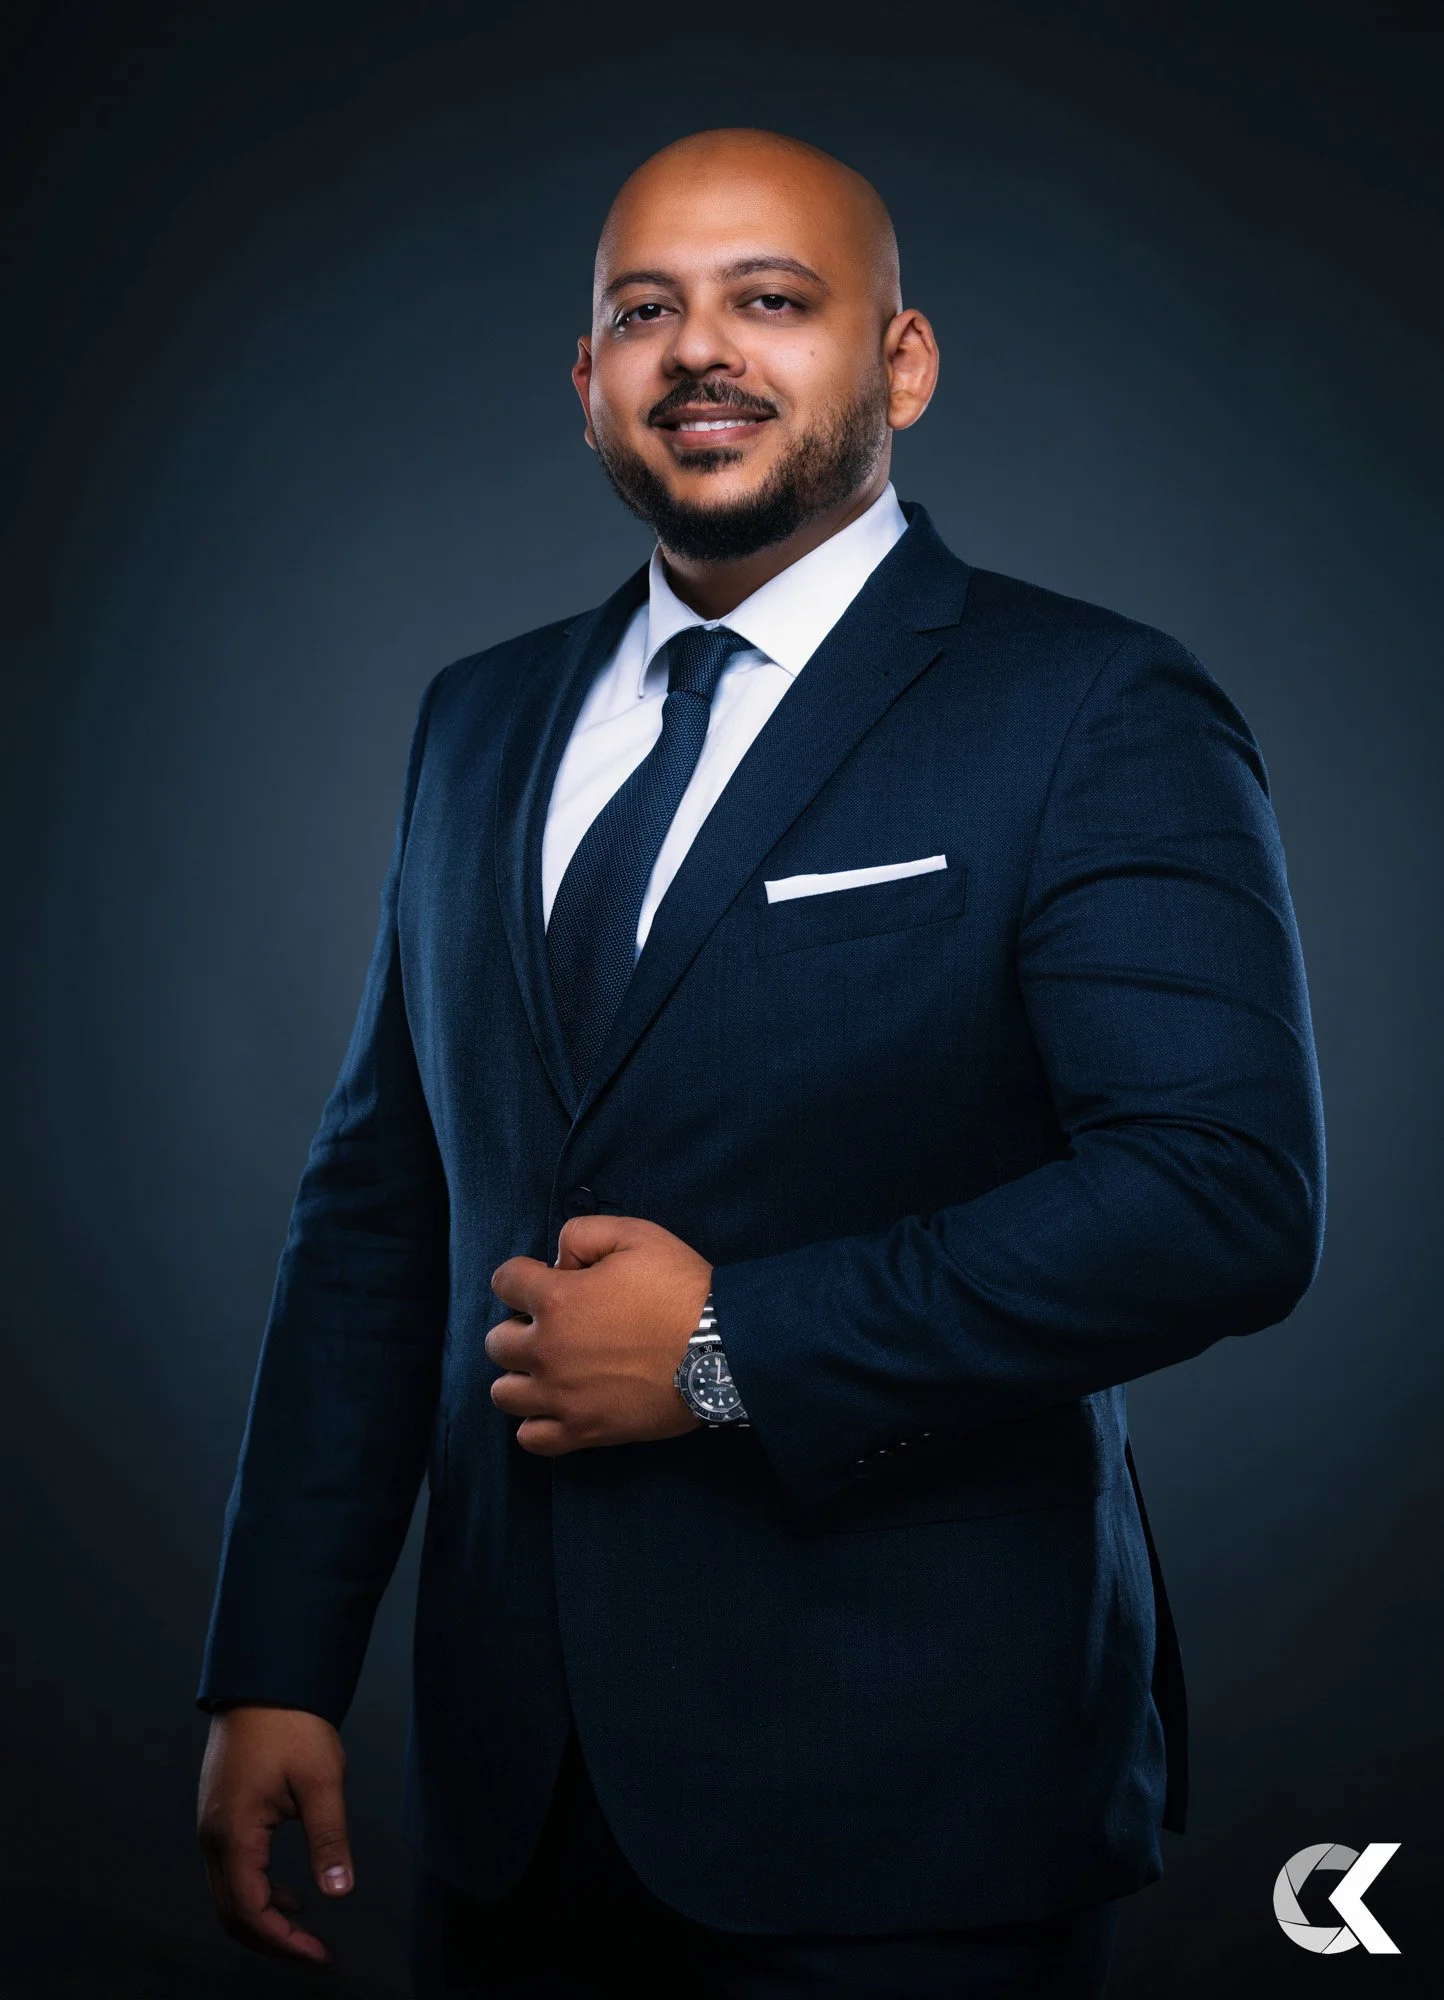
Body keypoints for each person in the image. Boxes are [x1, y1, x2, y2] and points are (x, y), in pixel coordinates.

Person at [194, 127, 1325, 1998]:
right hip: (509, 1799)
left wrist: (731, 1351)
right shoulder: (477, 721)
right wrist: (276, 1665)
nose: (700, 349)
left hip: (912, 1794)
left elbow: (1221, 1198)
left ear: (902, 363)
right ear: (588, 381)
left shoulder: (1090, 706)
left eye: (772, 300)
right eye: (647, 311)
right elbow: (379, 1219)